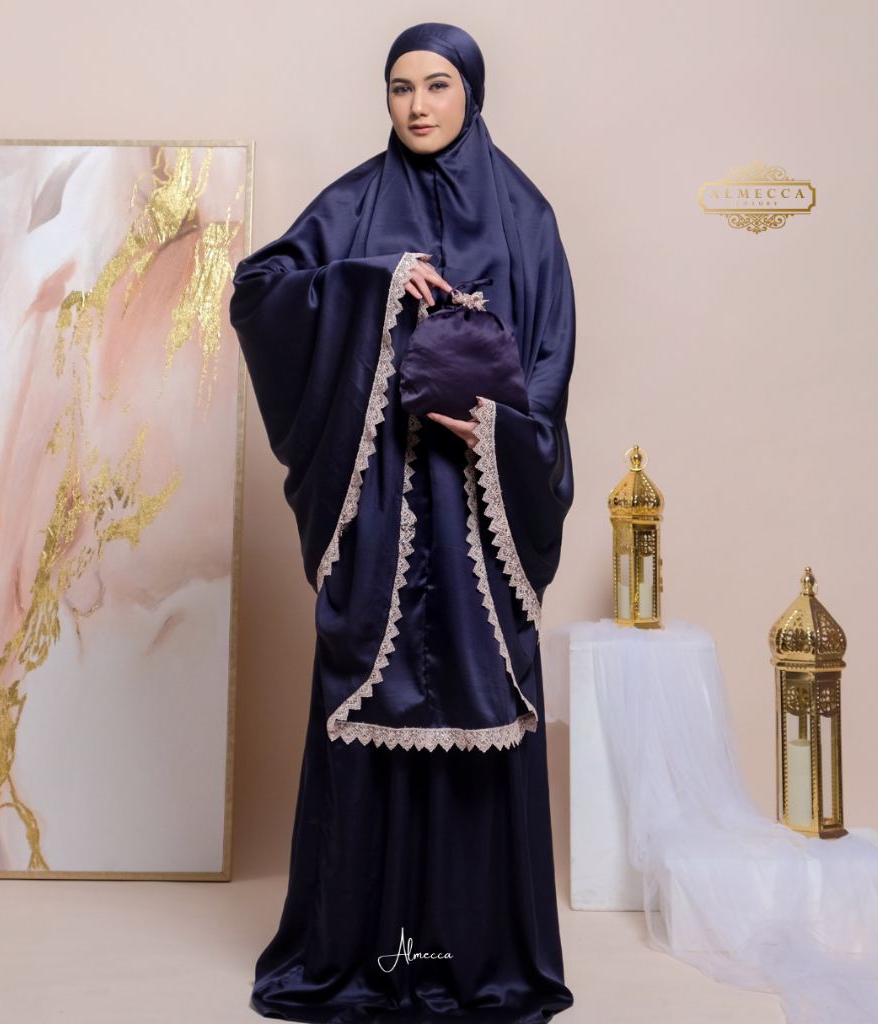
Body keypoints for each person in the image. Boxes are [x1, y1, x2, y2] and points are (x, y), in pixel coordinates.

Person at [230, 22, 575, 1023]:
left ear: (472, 91)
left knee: (480, 701)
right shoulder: (351, 204)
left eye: (436, 85)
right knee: (371, 697)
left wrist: (498, 426)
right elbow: (260, 292)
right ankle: (363, 953)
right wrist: (374, 281)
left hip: (476, 515)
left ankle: (475, 961)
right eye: (399, 88)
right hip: (382, 510)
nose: (417, 106)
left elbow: (551, 364)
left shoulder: (527, 216)